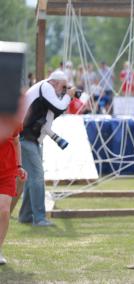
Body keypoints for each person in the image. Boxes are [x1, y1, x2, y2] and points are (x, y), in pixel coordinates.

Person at [18, 70, 76, 226]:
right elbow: (59, 107)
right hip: (26, 137)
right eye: (63, 87)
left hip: (30, 138)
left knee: (32, 179)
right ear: (55, 82)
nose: (64, 90)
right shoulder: (46, 87)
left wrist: (66, 96)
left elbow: (54, 112)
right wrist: (68, 96)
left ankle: (25, 216)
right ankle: (39, 218)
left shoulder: (46, 89)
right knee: (37, 177)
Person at [0, 127, 27, 265]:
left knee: (4, 211)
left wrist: (19, 166)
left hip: (8, 173)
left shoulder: (12, 122)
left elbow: (17, 142)